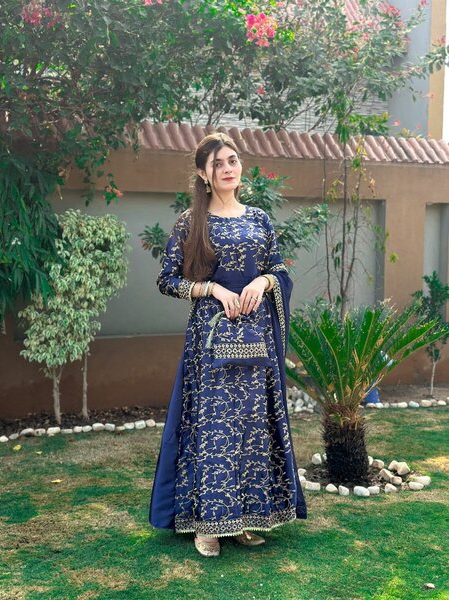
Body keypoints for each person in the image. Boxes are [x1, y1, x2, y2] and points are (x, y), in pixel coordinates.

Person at [148, 132, 307, 557]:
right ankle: (208, 524)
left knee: (252, 428)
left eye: (232, 160)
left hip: (256, 338)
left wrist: (263, 281)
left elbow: (279, 269)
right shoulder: (191, 222)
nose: (228, 168)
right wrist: (212, 290)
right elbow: (167, 280)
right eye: (218, 163)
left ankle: (244, 519)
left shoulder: (259, 218)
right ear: (203, 173)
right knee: (214, 427)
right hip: (212, 338)